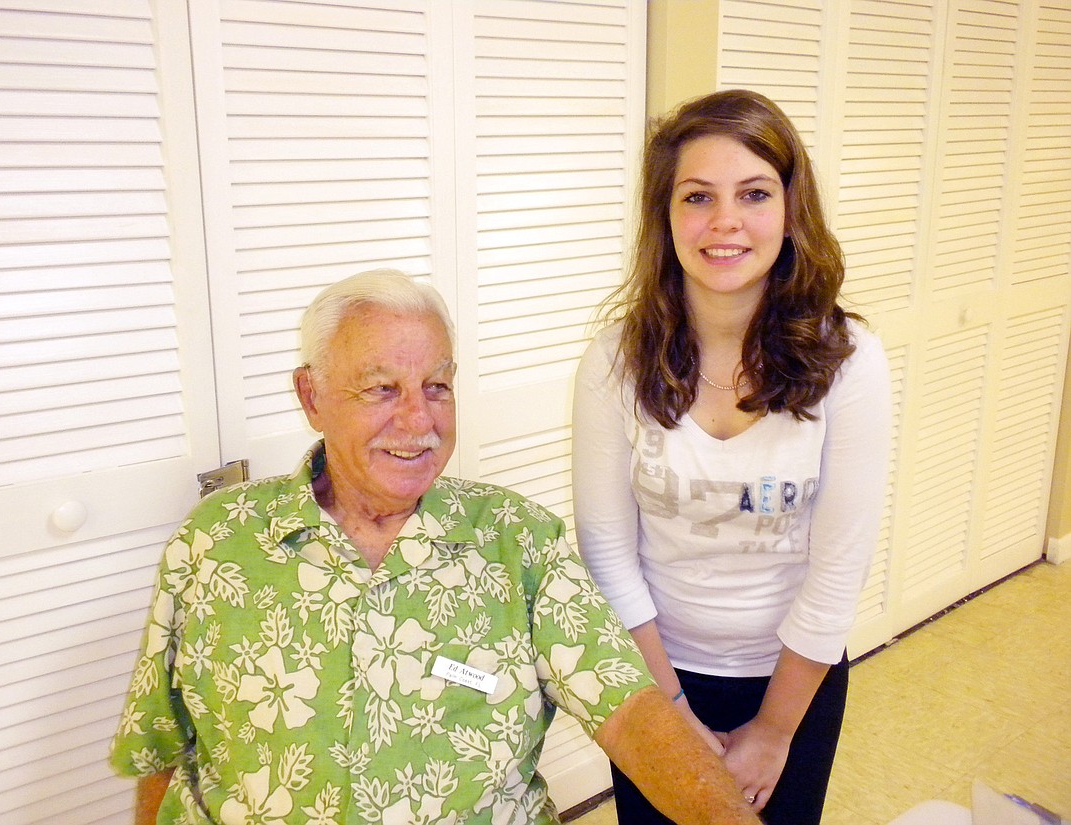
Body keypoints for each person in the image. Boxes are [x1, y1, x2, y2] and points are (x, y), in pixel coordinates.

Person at [109, 269, 760, 825]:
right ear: (312, 396)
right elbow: (161, 746)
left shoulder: (518, 541)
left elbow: (631, 711)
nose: (418, 420)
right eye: (381, 388)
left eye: (437, 386)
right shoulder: (217, 541)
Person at [571, 90, 892, 825]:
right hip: (650, 676)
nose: (725, 222)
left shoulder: (850, 361)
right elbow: (607, 554)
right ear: (665, 216)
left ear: (791, 210)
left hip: (794, 682)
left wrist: (774, 731)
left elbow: (839, 567)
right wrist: (671, 713)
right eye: (697, 196)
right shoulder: (614, 361)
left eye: (754, 193)